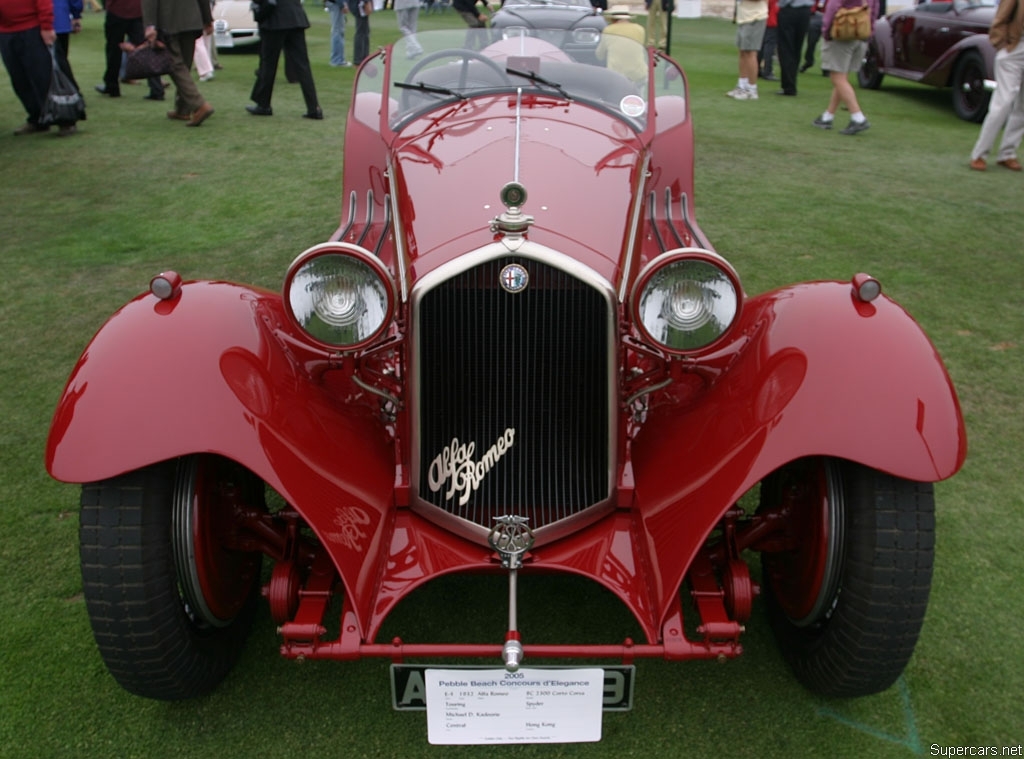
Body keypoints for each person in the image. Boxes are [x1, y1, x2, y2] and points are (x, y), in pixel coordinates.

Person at [969, 0, 1024, 171]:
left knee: (1022, 107)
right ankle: (979, 154)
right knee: (1003, 103)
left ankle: (1007, 154)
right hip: (1014, 48)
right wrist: (1001, 45)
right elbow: (1000, 18)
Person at [142, 0, 215, 126]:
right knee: (184, 65)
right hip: (192, 18)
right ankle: (183, 109)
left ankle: (199, 104)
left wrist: (150, 25)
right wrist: (207, 19)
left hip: (168, 20)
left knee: (175, 65)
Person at [812, 0, 878, 133]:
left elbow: (832, 8)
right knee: (842, 78)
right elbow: (874, 11)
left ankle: (858, 117)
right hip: (861, 33)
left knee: (837, 78)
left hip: (843, 33)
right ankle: (827, 116)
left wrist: (826, 32)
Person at [248, 0, 322, 118]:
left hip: (274, 19)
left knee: (268, 65)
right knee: (303, 65)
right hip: (295, 17)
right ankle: (314, 107)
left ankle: (263, 104)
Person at [1, 0, 59, 134]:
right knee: (19, 79)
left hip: (32, 28)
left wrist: (46, 26)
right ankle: (37, 118)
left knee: (43, 76)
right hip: (6, 31)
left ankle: (65, 118)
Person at [96, 0, 165, 100]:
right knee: (146, 50)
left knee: (114, 50)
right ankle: (157, 88)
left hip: (117, 10)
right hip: (138, 10)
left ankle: (112, 86)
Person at [727, 0, 768, 100]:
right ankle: (742, 85)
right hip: (744, 18)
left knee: (750, 52)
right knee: (743, 52)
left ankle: (751, 89)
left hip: (755, 17)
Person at [596, 5, 646, 86]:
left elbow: (599, 55)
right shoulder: (640, 29)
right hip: (638, 75)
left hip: (617, 76)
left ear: (613, 19)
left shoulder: (608, 30)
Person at [775, 0, 812, 95]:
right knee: (796, 48)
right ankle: (790, 83)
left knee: (786, 48)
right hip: (805, 10)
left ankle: (788, 86)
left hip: (790, 9)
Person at [800, 0, 824, 73]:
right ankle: (809, 61)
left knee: (830, 44)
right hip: (816, 16)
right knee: (811, 42)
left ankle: (826, 68)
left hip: (830, 16)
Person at [758, 0, 779, 81]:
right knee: (769, 47)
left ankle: (758, 69)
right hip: (772, 20)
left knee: (762, 46)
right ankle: (767, 71)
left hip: (765, 19)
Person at [324, 0, 348, 66]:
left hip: (334, 3)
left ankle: (338, 59)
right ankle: (337, 60)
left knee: (338, 30)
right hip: (335, 3)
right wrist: (342, 4)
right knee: (337, 30)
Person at [346, 0, 370, 65]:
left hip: (357, 4)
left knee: (364, 31)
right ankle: (359, 59)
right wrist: (366, 2)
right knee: (361, 32)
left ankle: (364, 58)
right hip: (359, 4)